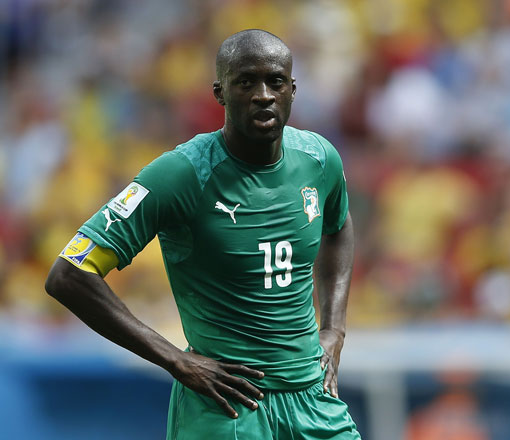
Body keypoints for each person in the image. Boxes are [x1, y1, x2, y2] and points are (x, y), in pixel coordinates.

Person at [45, 29, 361, 439]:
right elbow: (69, 274)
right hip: (227, 406)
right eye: (246, 82)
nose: (263, 94)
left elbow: (338, 227)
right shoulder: (181, 174)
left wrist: (334, 329)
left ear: (292, 90)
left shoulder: (319, 159)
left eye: (275, 82)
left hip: (313, 398)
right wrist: (176, 360)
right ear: (220, 93)